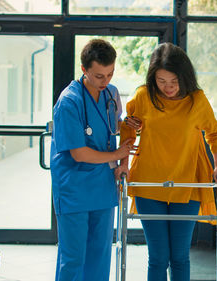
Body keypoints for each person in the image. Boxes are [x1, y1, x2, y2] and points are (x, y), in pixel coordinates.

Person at [118, 42, 217, 281]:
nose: (168, 88)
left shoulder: (197, 100)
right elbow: (127, 128)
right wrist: (124, 163)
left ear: (185, 76)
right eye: (161, 81)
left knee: (179, 256)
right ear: (152, 78)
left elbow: (214, 131)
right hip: (149, 182)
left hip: (187, 182)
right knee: (158, 256)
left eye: (174, 81)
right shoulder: (143, 96)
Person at [50, 39, 135, 281]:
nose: (105, 81)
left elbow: (109, 125)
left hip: (102, 185)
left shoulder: (111, 94)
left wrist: (126, 124)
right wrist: (118, 155)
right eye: (99, 76)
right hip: (75, 187)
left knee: (100, 254)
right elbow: (79, 153)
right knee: (74, 257)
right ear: (84, 69)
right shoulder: (69, 102)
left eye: (110, 74)